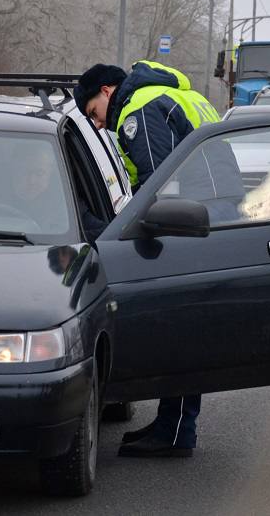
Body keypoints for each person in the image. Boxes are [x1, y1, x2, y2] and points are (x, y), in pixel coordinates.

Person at [73, 60, 226, 459]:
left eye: (93, 112)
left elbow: (160, 185)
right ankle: (171, 424)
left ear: (106, 91)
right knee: (184, 326)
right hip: (213, 212)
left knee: (182, 327)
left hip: (190, 222)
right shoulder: (170, 94)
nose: (98, 123)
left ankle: (176, 432)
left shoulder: (138, 110)